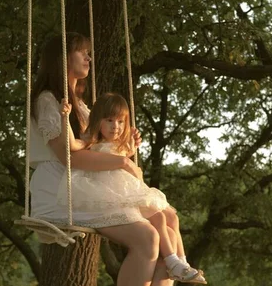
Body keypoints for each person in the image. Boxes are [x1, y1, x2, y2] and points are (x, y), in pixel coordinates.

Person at [28, 32, 173, 286]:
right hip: (60, 189)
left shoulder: (82, 107)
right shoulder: (48, 101)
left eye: (89, 52)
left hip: (87, 184)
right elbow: (69, 158)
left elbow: (96, 150)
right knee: (148, 238)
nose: (89, 57)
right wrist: (123, 162)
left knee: (167, 226)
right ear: (62, 58)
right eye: (81, 51)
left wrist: (125, 147)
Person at [58, 93, 207, 284]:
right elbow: (72, 145)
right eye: (109, 120)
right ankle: (173, 262)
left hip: (125, 190)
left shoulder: (118, 145)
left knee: (171, 217)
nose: (116, 126)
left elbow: (124, 155)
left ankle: (181, 263)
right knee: (159, 217)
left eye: (121, 121)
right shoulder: (91, 139)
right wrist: (64, 119)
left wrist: (132, 148)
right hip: (107, 192)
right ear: (98, 121)